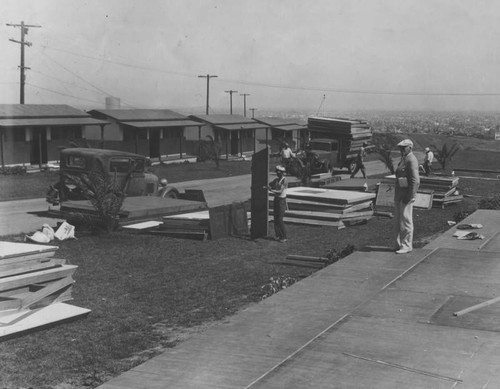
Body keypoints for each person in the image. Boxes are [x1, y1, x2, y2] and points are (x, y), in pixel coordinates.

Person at [394, 139, 420, 254]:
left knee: (406, 221)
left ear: (410, 147)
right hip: (400, 195)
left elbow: (415, 181)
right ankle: (399, 245)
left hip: (406, 196)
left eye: (404, 148)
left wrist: (410, 196)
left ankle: (406, 245)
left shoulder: (411, 160)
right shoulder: (404, 159)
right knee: (399, 221)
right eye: (400, 148)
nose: (401, 150)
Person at [267, 165, 288, 242]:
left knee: (280, 219)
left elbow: (280, 191)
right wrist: (267, 186)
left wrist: (271, 190)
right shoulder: (276, 180)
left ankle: (284, 236)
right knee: (275, 218)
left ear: (282, 173)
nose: (277, 174)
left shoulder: (284, 181)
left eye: (279, 173)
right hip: (276, 199)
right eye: (277, 173)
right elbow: (269, 184)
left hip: (281, 201)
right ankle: (278, 235)